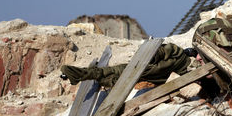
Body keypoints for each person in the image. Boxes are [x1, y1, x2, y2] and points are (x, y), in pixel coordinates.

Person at [61, 43, 197, 88]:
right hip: (142, 71)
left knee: (112, 73)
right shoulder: (182, 61)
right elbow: (159, 51)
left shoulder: (185, 67)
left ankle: (78, 74)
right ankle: (78, 74)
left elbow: (158, 52)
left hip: (142, 71)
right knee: (113, 74)